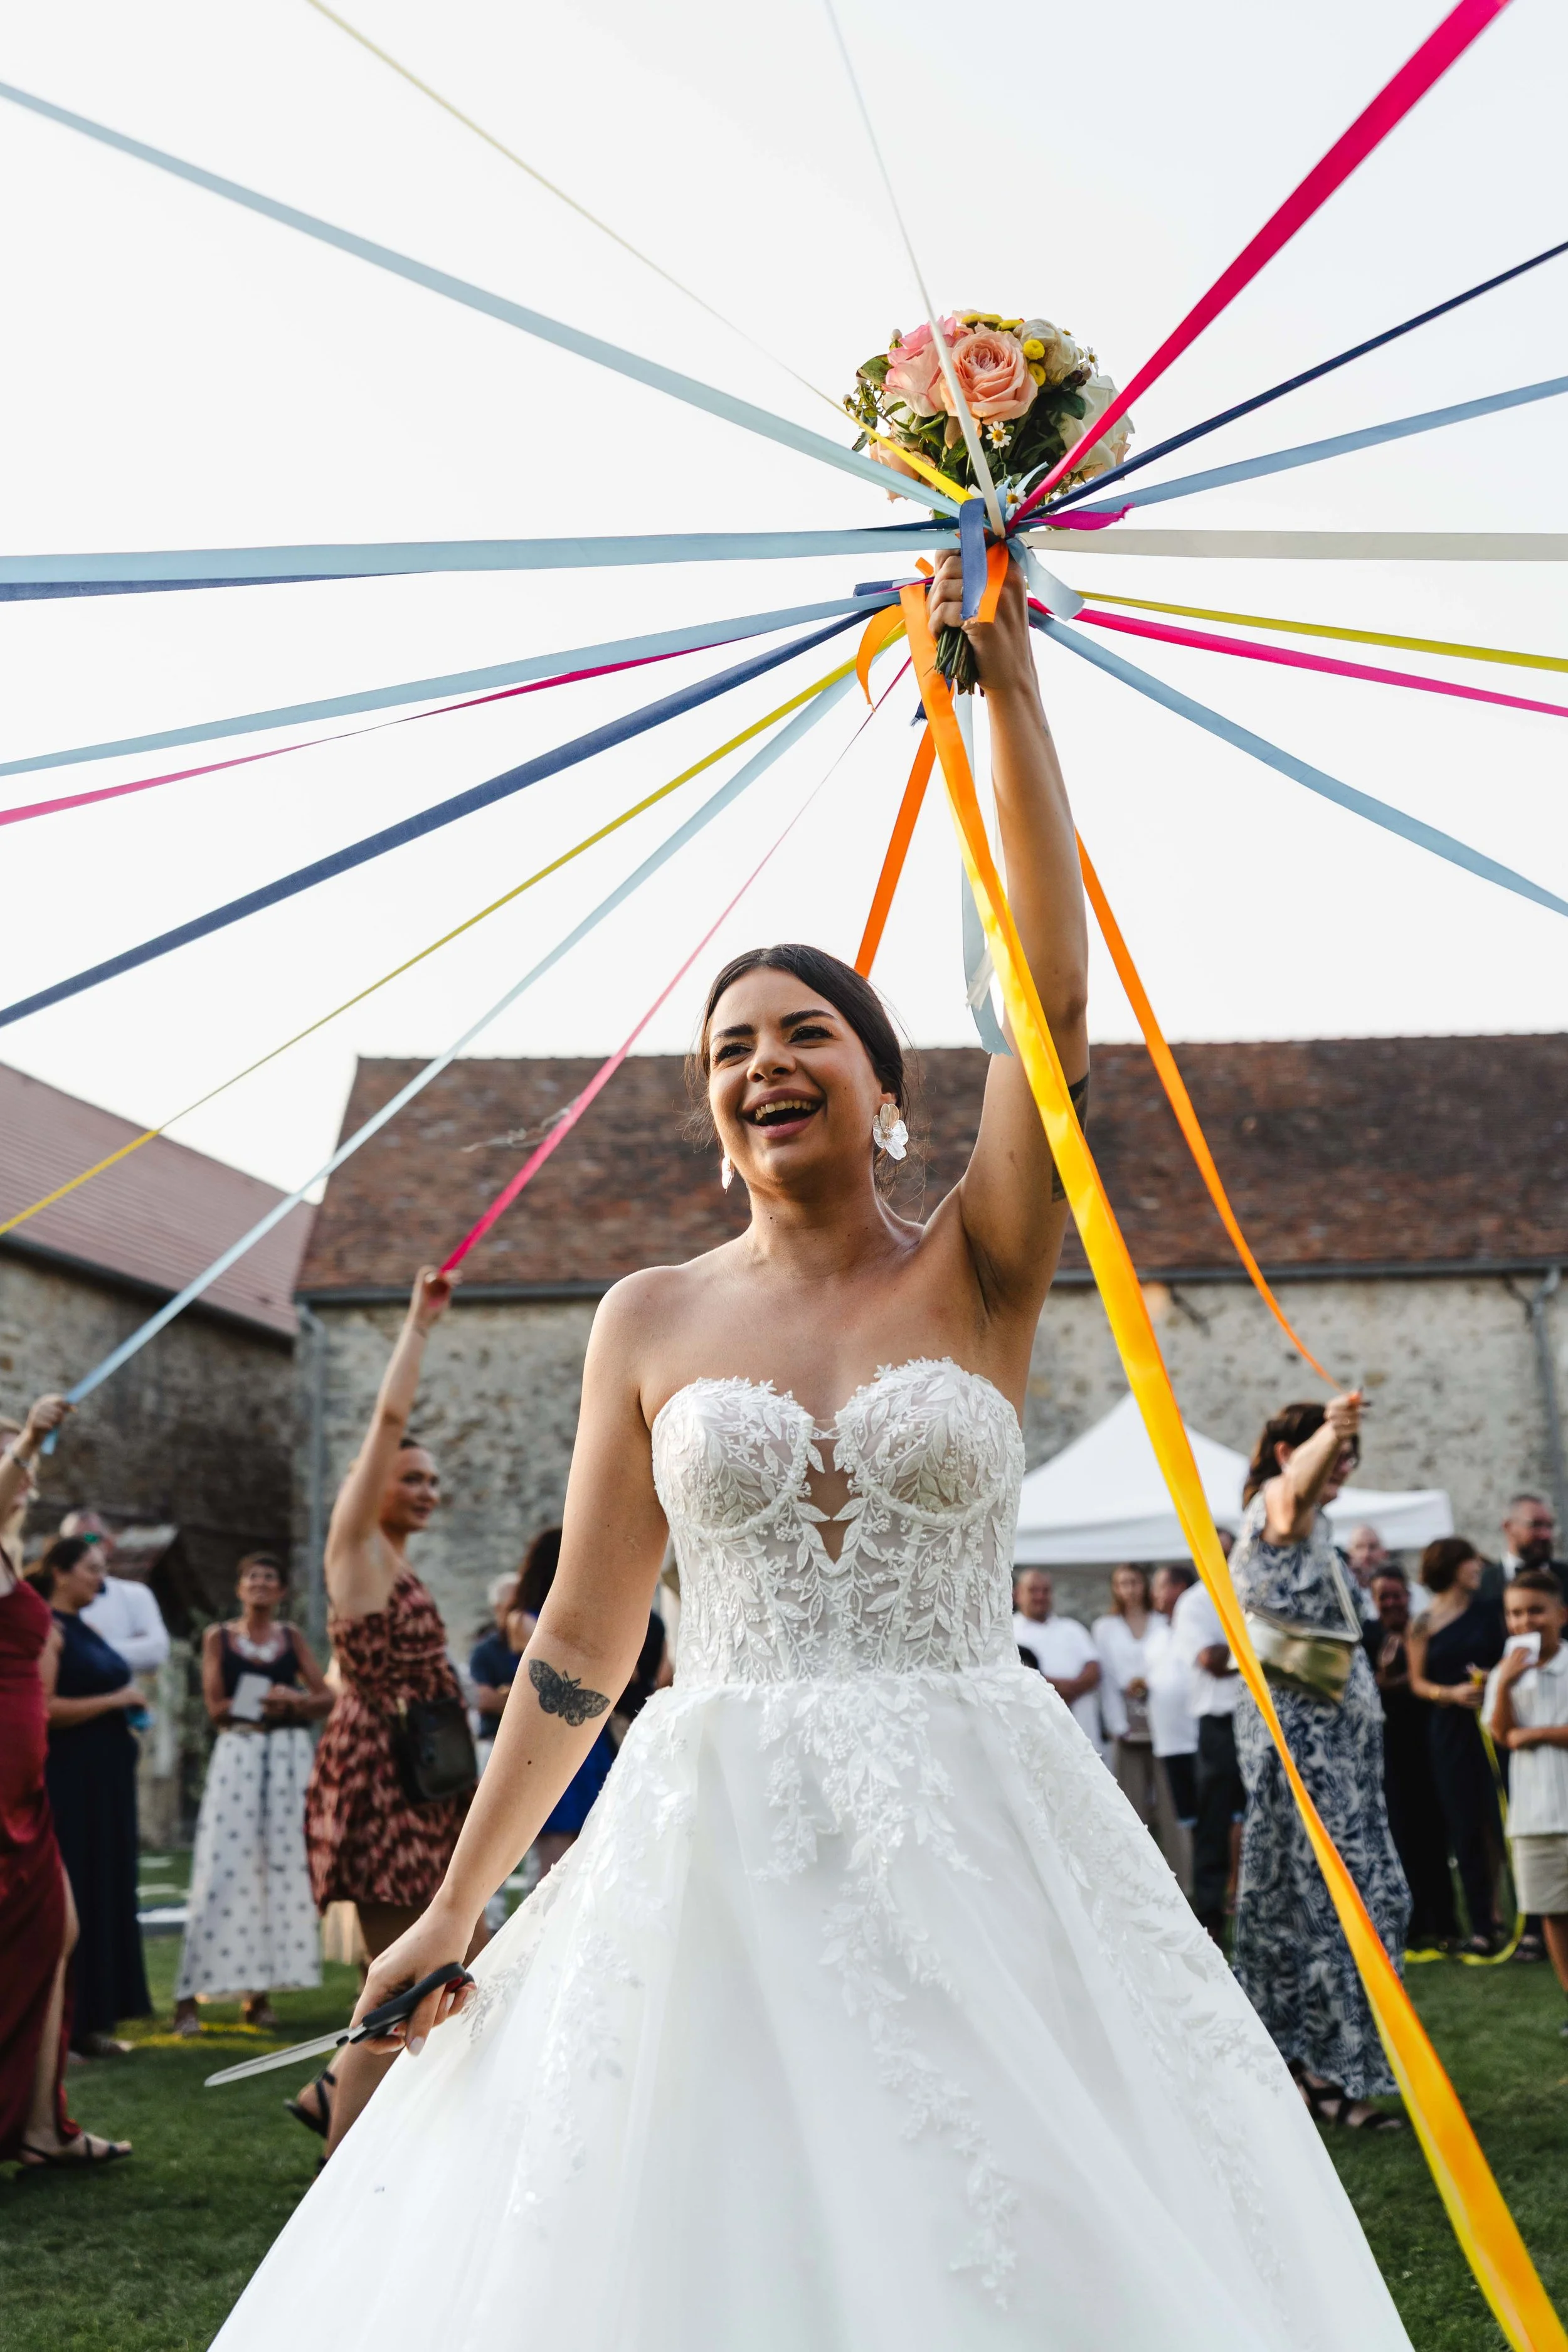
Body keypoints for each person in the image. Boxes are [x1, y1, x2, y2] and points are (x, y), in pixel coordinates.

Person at [209, 550, 1412, 2352]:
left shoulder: (981, 1267)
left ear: (880, 1081)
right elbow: (581, 1645)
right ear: (709, 1112)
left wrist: (1003, 679)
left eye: (803, 1036)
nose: (763, 1064)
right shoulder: (646, 1316)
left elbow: (1050, 1001)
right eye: (728, 1051)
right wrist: (455, 1902)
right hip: (716, 1832)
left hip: (981, 1806)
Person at [295, 1271, 479, 2159]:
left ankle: (330, 2091)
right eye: (413, 1475)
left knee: (453, 1959)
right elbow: (383, 1426)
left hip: (427, 1776)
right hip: (377, 1779)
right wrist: (418, 1326)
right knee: (401, 1981)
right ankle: (342, 2154)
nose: (427, 1487)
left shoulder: (401, 1567)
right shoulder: (355, 1550)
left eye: (435, 1479)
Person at [1230, 1397, 1409, 2131]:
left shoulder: (1319, 1531)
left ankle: (1317, 2071)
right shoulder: (1276, 1508)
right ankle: (1321, 2076)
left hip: (1339, 1755)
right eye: (1335, 1453)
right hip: (1303, 1754)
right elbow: (1291, 1498)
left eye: (1351, 1456)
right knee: (1335, 1909)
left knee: (1359, 1904)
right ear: (1287, 1454)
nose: (1344, 1466)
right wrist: (1330, 1430)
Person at [1, 1397, 130, 2168]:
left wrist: (29, 1448)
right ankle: (38, 2127)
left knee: (55, 1934)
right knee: (43, 1936)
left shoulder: (13, 1554)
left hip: (24, 1783)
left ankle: (41, 2123)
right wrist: (29, 1436)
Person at [172, 1554, 333, 2036]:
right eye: (252, 1578)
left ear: (281, 1591)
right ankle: (187, 1998)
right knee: (223, 1867)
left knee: (278, 1869)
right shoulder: (219, 1637)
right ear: (240, 1588)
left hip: (286, 1757)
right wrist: (268, 1700)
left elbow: (326, 1697)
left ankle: (258, 1995)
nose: (261, 1584)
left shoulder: (291, 1638)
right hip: (239, 1754)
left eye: (270, 1578)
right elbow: (218, 1706)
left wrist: (298, 1702)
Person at [32, 1535, 152, 2057]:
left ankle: (92, 2022)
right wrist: (116, 1699)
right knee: (75, 1891)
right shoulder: (46, 1629)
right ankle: (61, 2026)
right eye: (92, 1570)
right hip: (70, 1783)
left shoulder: (89, 1629)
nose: (100, 1581)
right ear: (60, 1571)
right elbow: (44, 1708)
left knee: (106, 1888)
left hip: (108, 1785)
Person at [1406, 1539, 1506, 1956]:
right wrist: (1451, 1694)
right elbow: (1417, 1682)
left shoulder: (1490, 1612)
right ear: (1450, 1566)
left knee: (1500, 1822)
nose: (1478, 1567)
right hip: (1449, 1730)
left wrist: (1492, 1680)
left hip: (1494, 1724)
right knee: (1464, 1825)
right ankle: (1481, 1925)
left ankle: (1526, 1922)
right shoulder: (1422, 1623)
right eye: (1470, 1561)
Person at [506, 1530, 617, 1877]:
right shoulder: (524, 1619)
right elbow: (569, 1659)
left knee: (597, 1847)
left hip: (590, 1736)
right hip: (551, 1734)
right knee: (555, 1862)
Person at [1486, 1569, 1568, 2030]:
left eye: (1536, 1610)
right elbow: (1501, 1734)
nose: (1525, 1622)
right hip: (1533, 1817)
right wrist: (1503, 1686)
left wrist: (1535, 1733)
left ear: (1561, 1614)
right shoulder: (1506, 1671)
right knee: (1555, 1912)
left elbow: (1521, 1736)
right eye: (1515, 1613)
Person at [1363, 1567, 1455, 1953]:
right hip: (1389, 1753)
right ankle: (1413, 1926)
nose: (1391, 1603)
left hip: (1427, 1744)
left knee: (1435, 1834)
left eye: (1397, 1595)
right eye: (1384, 1596)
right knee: (1401, 1837)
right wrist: (1387, 1680)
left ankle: (1446, 1922)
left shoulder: (1422, 1631)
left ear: (1408, 1596)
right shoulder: (1367, 1637)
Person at [1170, 1542, 1244, 1945]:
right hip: (1220, 1722)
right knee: (1215, 1821)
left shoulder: (1254, 1591)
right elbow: (1211, 1661)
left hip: (1262, 1718)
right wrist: (1262, 1651)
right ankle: (1211, 1917)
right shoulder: (1195, 1603)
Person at [1093, 1565, 1163, 1829]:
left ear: (1144, 1585)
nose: (1130, 1590)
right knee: (1131, 1802)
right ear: (1115, 1589)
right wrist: (1115, 1723)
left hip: (1160, 1713)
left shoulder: (1160, 1621)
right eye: (1123, 1584)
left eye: (1134, 1582)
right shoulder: (1106, 1627)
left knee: (1167, 1799)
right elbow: (1107, 1679)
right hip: (1126, 1714)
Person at [61, 1510, 171, 1676]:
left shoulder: (136, 1594)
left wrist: (92, 1648)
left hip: (122, 1699)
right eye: (72, 1542)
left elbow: (157, 1651)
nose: (81, 1548)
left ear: (109, 1544)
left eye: (91, 1538)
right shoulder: (48, 1599)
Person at [1012, 1567, 1103, 1754]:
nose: (1040, 1596)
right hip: (1036, 1734)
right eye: (1033, 1591)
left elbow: (1094, 1668)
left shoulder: (1072, 1628)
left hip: (1080, 1729)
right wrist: (1054, 1688)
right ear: (1018, 1594)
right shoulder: (1009, 1630)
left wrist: (1071, 1689)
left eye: (1045, 1591)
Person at [1148, 1563, 1200, 1892]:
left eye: (1161, 1586)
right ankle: (1192, 1883)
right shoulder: (1157, 1632)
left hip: (1195, 1736)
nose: (1155, 1594)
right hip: (1168, 1741)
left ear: (1179, 1588)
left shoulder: (1192, 1625)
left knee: (1206, 1815)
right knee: (1185, 1816)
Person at [469, 1574, 524, 1758]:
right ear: (498, 1610)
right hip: (499, 1743)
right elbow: (484, 1699)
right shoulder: (485, 1651)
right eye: (513, 1608)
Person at [1480, 1493, 1566, 1605]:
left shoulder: (1565, 1577)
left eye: (1549, 1526)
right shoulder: (1481, 1584)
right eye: (1536, 1525)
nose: (1546, 1535)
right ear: (1508, 1527)